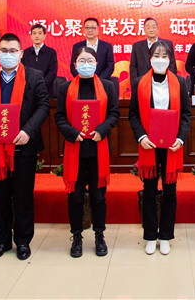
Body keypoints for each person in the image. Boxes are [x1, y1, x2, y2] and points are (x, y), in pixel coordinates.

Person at [0, 33, 50, 260]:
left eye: (13, 51)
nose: (8, 54)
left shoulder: (34, 76)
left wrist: (28, 131)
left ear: (21, 53)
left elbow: (43, 106)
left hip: (23, 147)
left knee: (23, 196)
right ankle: (2, 241)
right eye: (4, 51)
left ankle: (23, 241)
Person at [55, 47, 119, 258]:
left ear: (97, 63)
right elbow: (59, 117)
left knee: (98, 196)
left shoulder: (108, 86)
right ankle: (76, 236)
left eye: (90, 60)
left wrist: (102, 130)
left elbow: (114, 114)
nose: (86, 64)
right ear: (74, 64)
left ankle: (99, 235)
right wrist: (72, 133)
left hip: (98, 148)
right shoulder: (65, 88)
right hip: (75, 148)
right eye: (81, 61)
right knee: (75, 196)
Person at [129, 41, 191, 255]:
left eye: (165, 56)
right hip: (149, 145)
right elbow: (133, 115)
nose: (160, 59)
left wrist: (181, 139)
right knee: (149, 191)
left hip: (172, 146)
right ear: (150, 58)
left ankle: (165, 235)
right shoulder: (139, 82)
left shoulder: (180, 82)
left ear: (170, 59)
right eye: (156, 55)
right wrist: (141, 137)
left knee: (170, 191)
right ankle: (149, 235)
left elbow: (186, 114)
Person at [21, 23, 58, 96]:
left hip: (46, 91)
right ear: (31, 36)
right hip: (29, 91)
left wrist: (42, 85)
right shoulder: (25, 53)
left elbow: (52, 72)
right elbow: (23, 71)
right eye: (34, 33)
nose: (37, 36)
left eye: (40, 33)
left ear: (44, 36)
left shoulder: (51, 52)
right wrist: (31, 85)